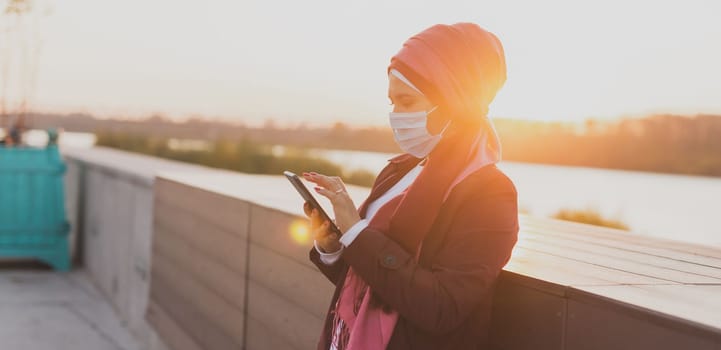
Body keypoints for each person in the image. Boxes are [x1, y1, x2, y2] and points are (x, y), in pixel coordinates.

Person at [302, 22, 519, 350]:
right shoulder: (399, 170)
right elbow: (370, 278)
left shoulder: (489, 193)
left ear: (452, 100)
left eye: (406, 102)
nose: (395, 115)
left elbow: (442, 307)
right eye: (392, 103)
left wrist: (357, 232)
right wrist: (333, 244)